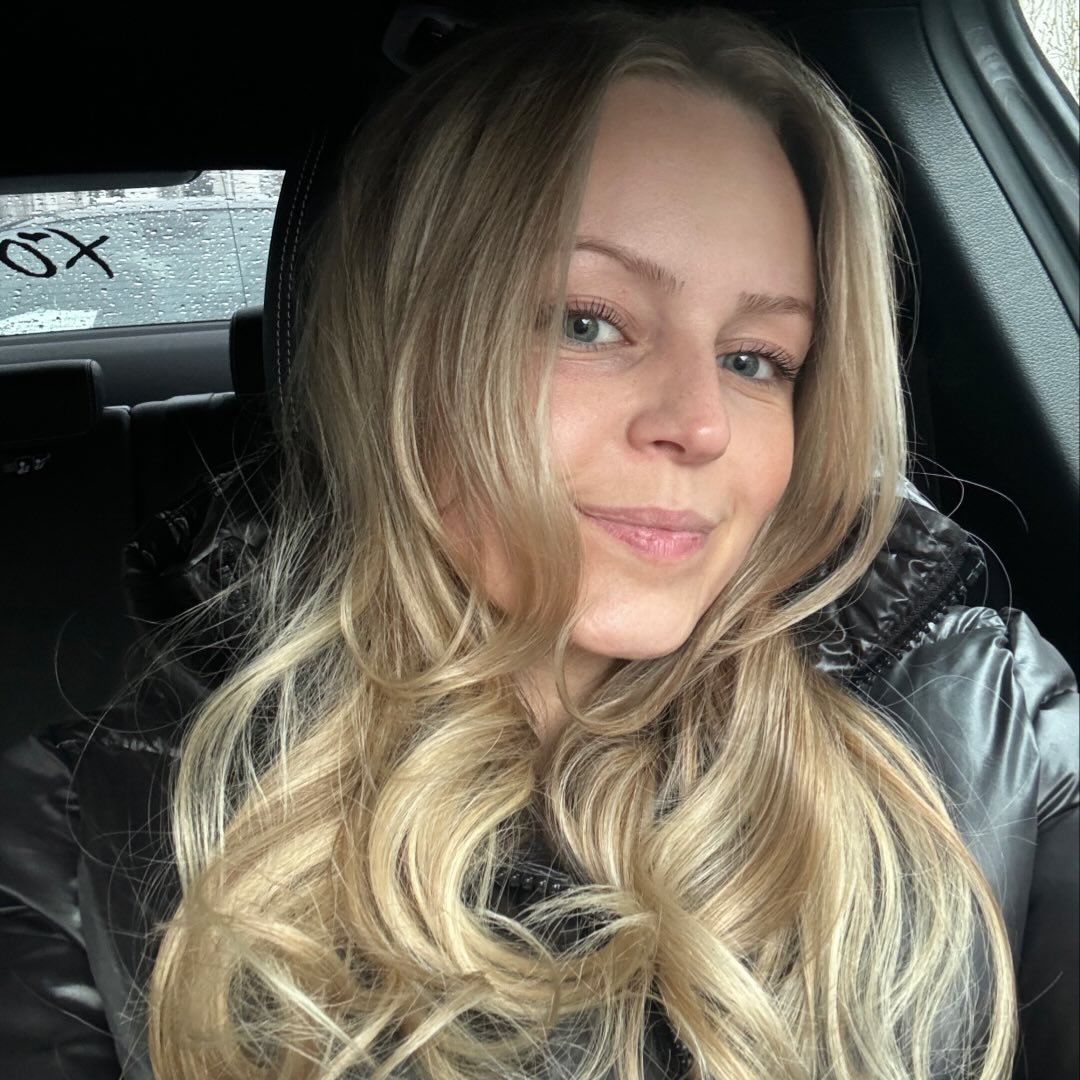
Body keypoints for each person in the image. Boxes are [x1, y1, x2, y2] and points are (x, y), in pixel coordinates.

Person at [0, 5, 1076, 1079]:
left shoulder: (990, 730)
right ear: (403, 350)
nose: (701, 425)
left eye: (756, 359)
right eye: (587, 322)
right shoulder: (83, 847)